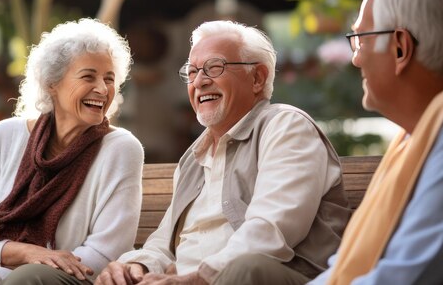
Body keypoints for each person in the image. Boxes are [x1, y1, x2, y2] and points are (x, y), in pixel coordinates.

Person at [97, 20, 350, 285]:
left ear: (257, 78)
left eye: (214, 67)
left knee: (245, 269)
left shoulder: (286, 127)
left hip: (273, 279)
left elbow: (270, 232)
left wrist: (196, 279)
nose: (200, 82)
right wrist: (135, 265)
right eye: (192, 72)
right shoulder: (193, 158)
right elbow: (163, 244)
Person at [310, 0, 443, 284]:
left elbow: (406, 275)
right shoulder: (420, 133)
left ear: (399, 48)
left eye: (360, 39)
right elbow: (343, 269)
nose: (355, 60)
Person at [0, 19, 144, 285]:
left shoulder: (121, 149)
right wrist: (23, 252)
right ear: (51, 83)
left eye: (109, 79)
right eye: (88, 76)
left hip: (67, 277)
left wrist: (36, 261)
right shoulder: (4, 135)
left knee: (24, 280)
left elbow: (105, 252)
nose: (103, 89)